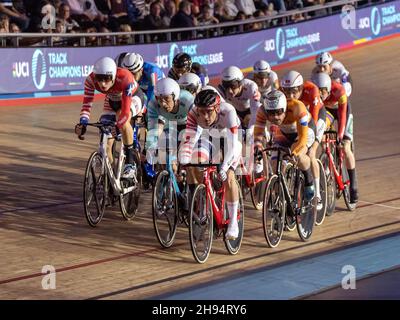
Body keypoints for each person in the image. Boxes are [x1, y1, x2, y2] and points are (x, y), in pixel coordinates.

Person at [179, 89, 242, 240]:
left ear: (217, 108)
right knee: (196, 160)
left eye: (208, 111)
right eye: (201, 111)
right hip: (209, 138)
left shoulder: (228, 112)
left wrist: (225, 166)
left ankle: (233, 222)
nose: (205, 117)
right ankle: (207, 196)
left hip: (230, 141)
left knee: (229, 177)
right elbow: (189, 140)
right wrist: (184, 159)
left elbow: (233, 145)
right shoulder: (193, 114)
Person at [75, 56, 139, 179]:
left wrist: (118, 125)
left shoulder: (125, 78)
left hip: (132, 98)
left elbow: (125, 112)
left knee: (122, 120)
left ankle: (130, 163)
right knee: (105, 141)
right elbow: (87, 104)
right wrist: (83, 123)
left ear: (114, 76)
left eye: (107, 79)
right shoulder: (90, 80)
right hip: (112, 101)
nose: (103, 83)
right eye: (99, 79)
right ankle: (110, 179)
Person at [254, 90, 316, 202]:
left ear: (285, 108)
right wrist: (257, 147)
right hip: (283, 133)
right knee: (275, 164)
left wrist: (295, 153)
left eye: (278, 112)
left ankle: (308, 179)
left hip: (305, 131)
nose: (276, 117)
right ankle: (283, 199)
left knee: (298, 156)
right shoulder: (262, 111)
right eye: (271, 113)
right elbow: (258, 134)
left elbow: (302, 139)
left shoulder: (297, 107)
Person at [281, 70, 325, 209]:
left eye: (294, 92)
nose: (290, 96)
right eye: (287, 92)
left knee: (311, 153)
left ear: (301, 88)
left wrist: (313, 142)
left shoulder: (312, 90)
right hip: (299, 121)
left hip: (315, 118)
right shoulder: (282, 95)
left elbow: (315, 119)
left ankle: (317, 194)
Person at [311, 72, 358, 203]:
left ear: (329, 89)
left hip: (343, 110)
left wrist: (341, 134)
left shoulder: (339, 90)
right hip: (328, 112)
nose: (320, 94)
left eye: (323, 91)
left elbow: (342, 114)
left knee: (345, 146)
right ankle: (327, 157)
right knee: (321, 132)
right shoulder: (314, 93)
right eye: (318, 90)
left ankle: (353, 184)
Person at [145, 77, 194, 166]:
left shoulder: (187, 99)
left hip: (188, 125)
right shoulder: (153, 104)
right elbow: (153, 129)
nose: (163, 104)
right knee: (165, 148)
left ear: (175, 97)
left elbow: (197, 123)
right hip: (170, 125)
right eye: (159, 99)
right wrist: (151, 147)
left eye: (166, 99)